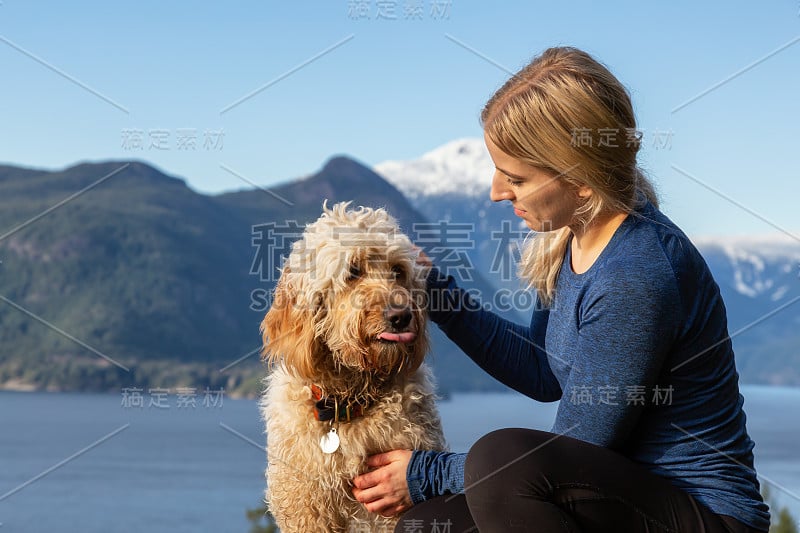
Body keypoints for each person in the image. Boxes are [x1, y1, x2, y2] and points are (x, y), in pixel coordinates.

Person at [351, 46, 771, 532]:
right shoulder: (572, 239)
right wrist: (437, 293)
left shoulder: (636, 273)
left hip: (703, 517)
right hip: (620, 500)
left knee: (499, 459)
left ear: (581, 178)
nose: (496, 191)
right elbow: (541, 369)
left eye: (515, 178)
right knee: (428, 525)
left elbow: (577, 446)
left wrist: (427, 472)